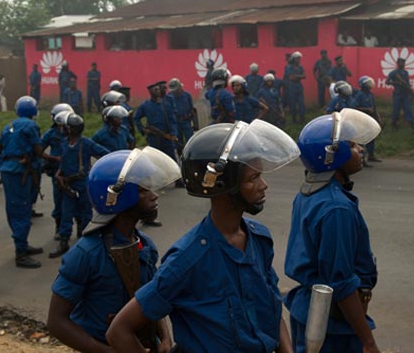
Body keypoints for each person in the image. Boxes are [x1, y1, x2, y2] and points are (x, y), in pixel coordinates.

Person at [106, 119, 299, 353]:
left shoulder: (259, 239)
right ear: (222, 186)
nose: (264, 185)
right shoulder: (188, 259)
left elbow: (271, 308)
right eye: (252, 178)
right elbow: (119, 330)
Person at [47, 148, 180, 351]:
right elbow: (57, 322)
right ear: (116, 196)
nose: (154, 196)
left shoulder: (145, 246)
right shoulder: (87, 253)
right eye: (143, 190)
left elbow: (151, 298)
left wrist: (165, 338)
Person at [285, 108, 381, 353]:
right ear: (331, 155)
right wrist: (368, 341)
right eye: (352, 145)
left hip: (308, 311)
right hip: (332, 325)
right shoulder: (336, 208)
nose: (360, 150)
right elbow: (339, 282)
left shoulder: (310, 191)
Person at [0, 96, 59, 268]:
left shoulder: (10, 125)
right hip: (19, 173)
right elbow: (38, 151)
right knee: (22, 211)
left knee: (16, 208)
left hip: (10, 171)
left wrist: (4, 165)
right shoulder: (31, 125)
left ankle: (22, 245)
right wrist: (54, 158)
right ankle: (20, 254)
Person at [50, 113, 110, 258]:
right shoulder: (64, 143)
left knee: (86, 214)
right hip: (67, 185)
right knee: (66, 214)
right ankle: (64, 242)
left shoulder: (86, 143)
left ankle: (87, 243)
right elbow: (63, 162)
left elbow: (104, 154)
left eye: (68, 127)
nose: (65, 129)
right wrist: (59, 174)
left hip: (82, 184)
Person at [41, 104, 74, 240]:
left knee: (76, 199)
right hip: (56, 172)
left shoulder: (74, 131)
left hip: (72, 172)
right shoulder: (51, 134)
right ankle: (59, 227)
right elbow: (39, 149)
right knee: (59, 200)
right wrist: (51, 158)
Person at [134, 82, 179, 162]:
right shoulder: (145, 105)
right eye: (155, 90)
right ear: (150, 92)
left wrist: (173, 133)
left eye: (158, 89)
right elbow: (136, 118)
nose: (158, 91)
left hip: (167, 137)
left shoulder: (166, 104)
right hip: (153, 138)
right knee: (156, 160)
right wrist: (143, 129)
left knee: (171, 160)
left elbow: (172, 120)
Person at [354, 76, 382, 163]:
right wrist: (366, 109)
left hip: (370, 119)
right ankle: (361, 158)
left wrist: (378, 118)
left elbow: (374, 107)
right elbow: (355, 107)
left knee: (371, 137)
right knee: (362, 139)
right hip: (362, 119)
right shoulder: (359, 95)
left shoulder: (370, 94)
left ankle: (371, 155)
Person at [167, 78, 195, 156]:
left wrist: (194, 122)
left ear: (180, 87)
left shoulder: (187, 95)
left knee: (190, 140)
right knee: (178, 143)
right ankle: (181, 156)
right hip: (176, 123)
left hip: (186, 121)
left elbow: (192, 109)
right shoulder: (169, 97)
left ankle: (191, 155)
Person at [385, 58, 414, 129]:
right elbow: (387, 82)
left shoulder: (405, 72)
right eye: (401, 62)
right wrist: (396, 83)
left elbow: (407, 83)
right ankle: (394, 125)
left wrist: (411, 92)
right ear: (398, 63)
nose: (403, 64)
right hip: (397, 94)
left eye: (404, 62)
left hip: (405, 94)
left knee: (408, 110)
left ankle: (410, 126)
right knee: (396, 110)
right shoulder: (394, 73)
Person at [285, 51, 306, 124]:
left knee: (301, 103)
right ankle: (294, 119)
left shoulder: (300, 67)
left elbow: (304, 76)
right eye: (297, 59)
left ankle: (302, 118)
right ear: (294, 59)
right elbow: (291, 78)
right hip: (292, 86)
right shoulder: (289, 67)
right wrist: (300, 76)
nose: (299, 60)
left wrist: (296, 76)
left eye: (299, 59)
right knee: (292, 103)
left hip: (299, 86)